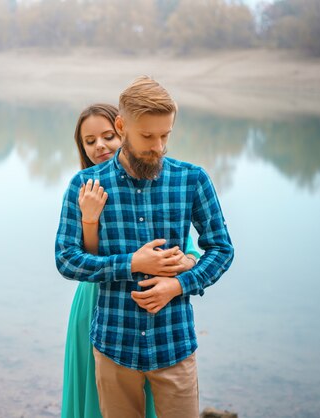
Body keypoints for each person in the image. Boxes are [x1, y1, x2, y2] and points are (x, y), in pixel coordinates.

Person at [56, 77, 234, 418]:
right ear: (122, 126)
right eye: (147, 136)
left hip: (174, 344)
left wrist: (178, 284)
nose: (158, 146)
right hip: (113, 346)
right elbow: (66, 260)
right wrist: (132, 263)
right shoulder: (84, 185)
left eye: (165, 135)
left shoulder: (192, 179)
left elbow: (221, 250)